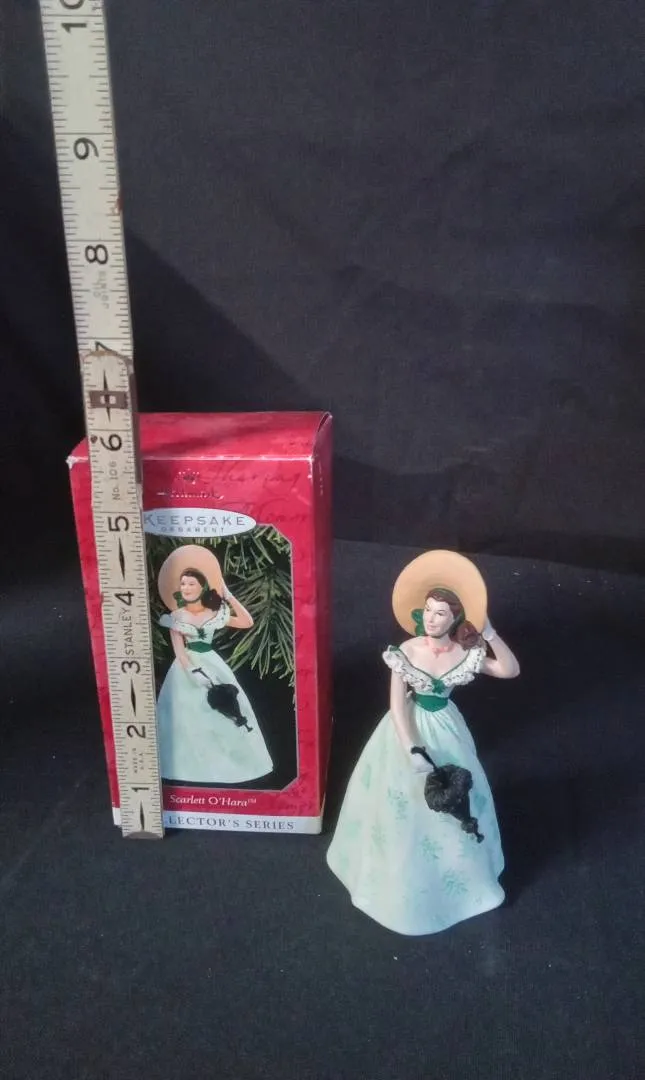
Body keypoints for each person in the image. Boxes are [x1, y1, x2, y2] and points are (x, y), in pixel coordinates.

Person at [326, 549, 519, 936]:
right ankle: (395, 873)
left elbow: (509, 670)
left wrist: (490, 633)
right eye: (428, 611)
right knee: (400, 799)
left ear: (455, 619)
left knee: (454, 795)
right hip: (407, 732)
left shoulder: (465, 652)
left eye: (441, 613)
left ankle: (456, 873)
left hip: (446, 728)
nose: (431, 618)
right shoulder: (407, 652)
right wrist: (412, 747)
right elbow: (397, 705)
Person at [156, 544, 273, 785]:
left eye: (191, 583)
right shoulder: (176, 616)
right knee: (187, 713)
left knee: (224, 709)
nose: (186, 588)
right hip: (185, 669)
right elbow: (179, 650)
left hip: (213, 663)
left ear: (202, 587)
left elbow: (247, 622)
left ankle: (231, 765)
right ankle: (190, 767)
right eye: (183, 584)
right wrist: (193, 671)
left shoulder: (214, 613)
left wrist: (228, 595)